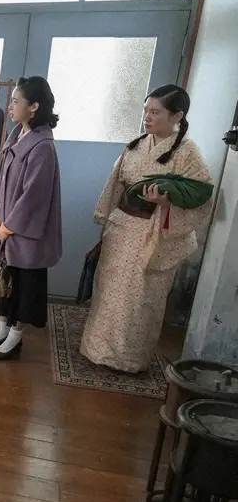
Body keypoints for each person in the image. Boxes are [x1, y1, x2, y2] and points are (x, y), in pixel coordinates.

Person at [81, 85, 212, 372]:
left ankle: (130, 359)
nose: (147, 118)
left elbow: (200, 197)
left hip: (154, 234)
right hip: (121, 229)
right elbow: (115, 185)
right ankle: (97, 350)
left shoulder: (187, 152)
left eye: (155, 112)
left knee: (140, 298)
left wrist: (166, 203)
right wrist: (106, 220)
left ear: (177, 116)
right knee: (109, 292)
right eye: (145, 111)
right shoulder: (136, 145)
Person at [0, 76, 63, 361]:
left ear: (34, 107)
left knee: (24, 286)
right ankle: (2, 330)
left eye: (15, 101)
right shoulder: (16, 136)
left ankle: (15, 337)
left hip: (24, 233)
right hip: (5, 228)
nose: (10, 106)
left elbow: (33, 197)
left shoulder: (43, 147)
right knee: (6, 282)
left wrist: (6, 229)